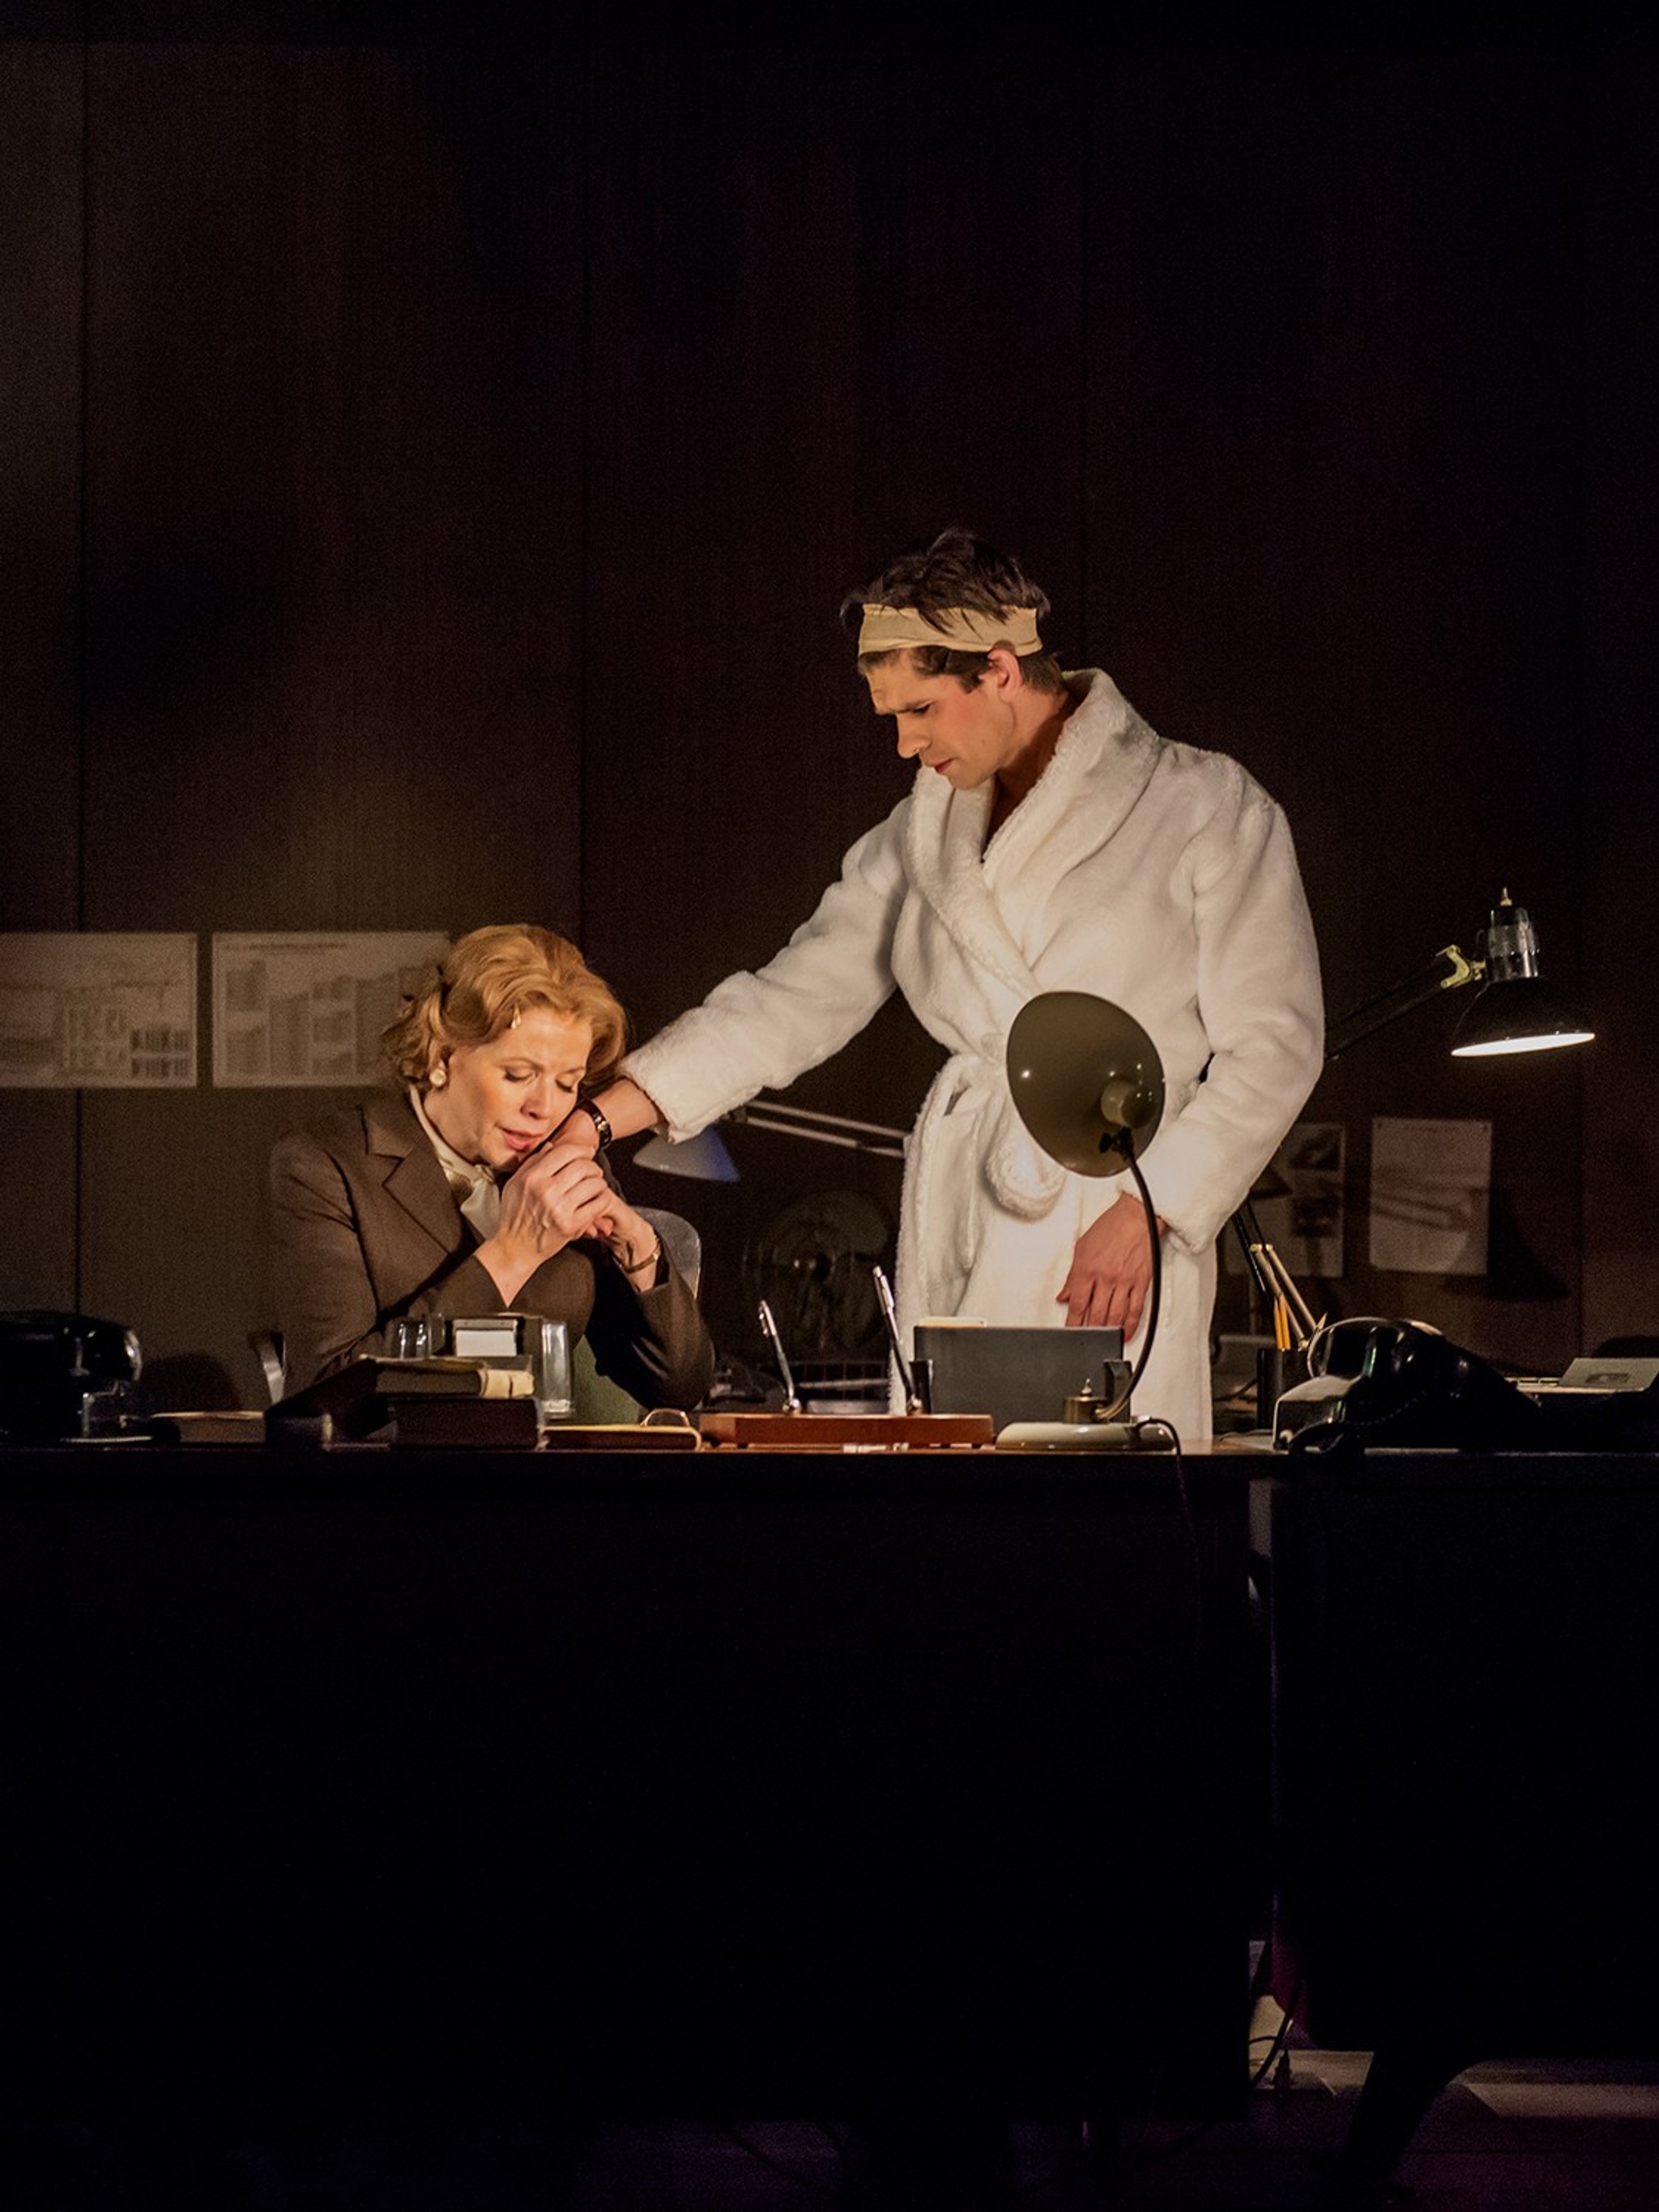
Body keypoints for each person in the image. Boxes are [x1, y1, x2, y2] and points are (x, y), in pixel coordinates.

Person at [548, 531, 1324, 1438]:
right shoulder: (916, 840)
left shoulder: (1206, 807)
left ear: (997, 669)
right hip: (962, 1203)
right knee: (954, 1505)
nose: (905, 743)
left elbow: (1275, 1045)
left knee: (1104, 1514)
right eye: (890, 717)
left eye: (918, 708)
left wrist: (1154, 1210)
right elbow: (789, 1000)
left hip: (1114, 1212)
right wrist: (599, 1116)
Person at [268, 924, 714, 1408]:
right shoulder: (325, 1166)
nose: (544, 1108)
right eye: (518, 1075)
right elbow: (329, 1396)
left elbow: (678, 1388)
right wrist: (512, 1255)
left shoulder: (566, 1162)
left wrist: (641, 1250)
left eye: (568, 1083)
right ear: (443, 1056)